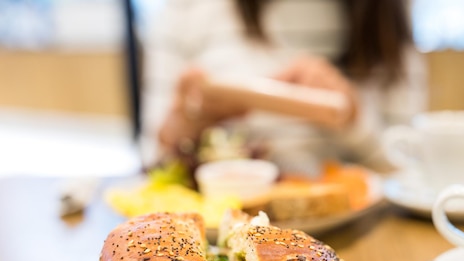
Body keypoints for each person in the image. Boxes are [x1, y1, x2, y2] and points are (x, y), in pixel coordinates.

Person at [139, 0, 428, 176]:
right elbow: (153, 157)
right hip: (215, 227)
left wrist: (353, 117)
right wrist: (187, 121)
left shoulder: (388, 13)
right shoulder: (187, 7)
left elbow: (409, 162)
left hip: (362, 227)